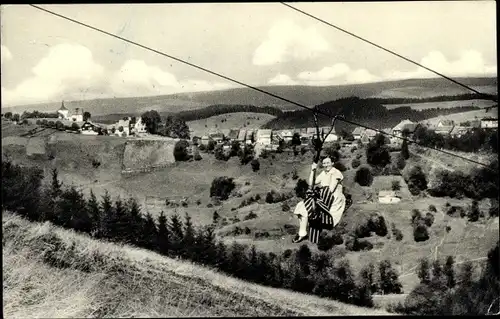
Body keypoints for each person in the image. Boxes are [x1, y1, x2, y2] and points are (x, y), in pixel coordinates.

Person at [292, 156, 346, 243]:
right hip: (323, 195)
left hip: (333, 199)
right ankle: (302, 232)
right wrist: (313, 170)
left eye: (328, 163)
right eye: (324, 163)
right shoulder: (324, 173)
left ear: (332, 163)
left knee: (309, 206)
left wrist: (316, 196)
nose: (326, 165)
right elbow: (312, 183)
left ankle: (302, 234)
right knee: (301, 206)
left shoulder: (336, 173)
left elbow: (330, 190)